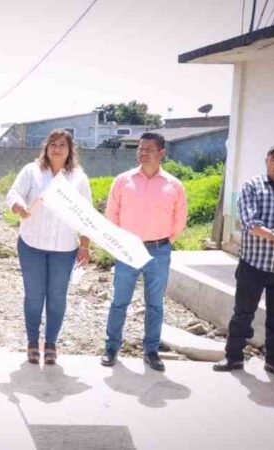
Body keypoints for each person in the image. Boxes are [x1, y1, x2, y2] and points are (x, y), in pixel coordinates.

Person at [213, 144, 274, 382]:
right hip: (253, 264)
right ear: (266, 161)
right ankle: (233, 356)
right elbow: (249, 222)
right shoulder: (252, 186)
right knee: (243, 313)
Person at [101, 132, 187, 372]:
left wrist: (163, 241)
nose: (143, 152)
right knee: (120, 301)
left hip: (159, 251)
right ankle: (111, 347)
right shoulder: (123, 180)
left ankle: (151, 351)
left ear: (162, 153)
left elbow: (179, 219)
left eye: (149, 148)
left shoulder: (173, 185)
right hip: (128, 250)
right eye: (141, 148)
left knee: (155, 304)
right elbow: (112, 214)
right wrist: (122, 242)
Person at [6, 129, 91, 365]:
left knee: (57, 297)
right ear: (46, 147)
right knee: (34, 296)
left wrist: (84, 246)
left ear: (69, 150)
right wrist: (19, 206)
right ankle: (33, 341)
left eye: (62, 145)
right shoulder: (31, 171)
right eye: (52, 144)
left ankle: (51, 342)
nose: (56, 148)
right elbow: (13, 193)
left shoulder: (78, 178)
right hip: (31, 243)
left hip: (65, 248)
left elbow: (86, 214)